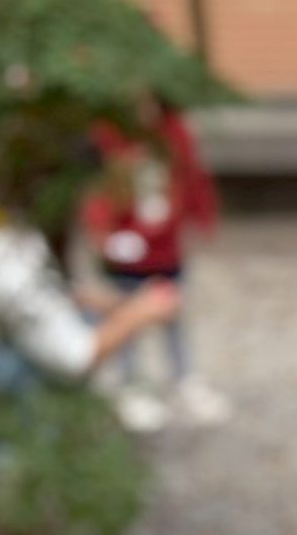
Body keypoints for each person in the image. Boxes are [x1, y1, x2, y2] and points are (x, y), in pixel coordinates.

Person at [0, 212, 181, 429]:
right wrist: (140, 312)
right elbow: (76, 358)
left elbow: (35, 296)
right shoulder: (5, 260)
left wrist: (111, 303)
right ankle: (13, 457)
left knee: (70, 326)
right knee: (42, 369)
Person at [80, 96, 229, 424]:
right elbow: (97, 189)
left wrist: (203, 218)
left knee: (173, 318)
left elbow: (192, 177)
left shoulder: (174, 132)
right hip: (126, 254)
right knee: (126, 319)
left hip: (165, 250)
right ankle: (131, 384)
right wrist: (105, 237)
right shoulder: (109, 134)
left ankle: (184, 378)